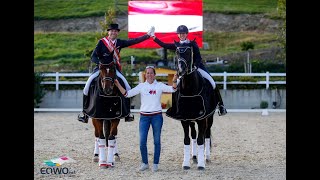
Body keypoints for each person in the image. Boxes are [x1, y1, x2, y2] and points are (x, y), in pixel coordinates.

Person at [77, 24, 155, 123]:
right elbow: (93, 56)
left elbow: (133, 41)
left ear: (117, 32)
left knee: (127, 87)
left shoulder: (119, 42)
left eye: (115, 31)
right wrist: (100, 63)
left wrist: (147, 35)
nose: (113, 32)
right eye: (111, 31)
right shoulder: (101, 42)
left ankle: (127, 113)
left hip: (114, 69)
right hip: (101, 69)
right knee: (87, 86)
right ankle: (85, 113)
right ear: (108, 32)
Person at [150, 25, 227, 116]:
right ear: (178, 35)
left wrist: (195, 66)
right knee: (175, 86)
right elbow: (164, 45)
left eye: (183, 33)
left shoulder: (192, 44)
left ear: (186, 34)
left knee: (212, 82)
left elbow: (198, 57)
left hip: (197, 67)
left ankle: (221, 105)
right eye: (180, 33)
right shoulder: (177, 45)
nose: (181, 35)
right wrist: (154, 38)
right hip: (182, 70)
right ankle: (175, 108)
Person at [114, 66, 178, 172]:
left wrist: (175, 79)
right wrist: (117, 84)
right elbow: (127, 94)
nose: (149, 75)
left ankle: (156, 164)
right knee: (142, 141)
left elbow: (173, 89)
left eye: (151, 73)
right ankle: (145, 163)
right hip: (144, 117)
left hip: (157, 116)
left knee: (157, 141)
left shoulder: (160, 86)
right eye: (147, 73)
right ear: (145, 75)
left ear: (154, 74)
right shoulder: (141, 86)